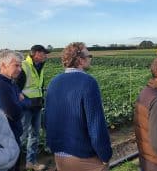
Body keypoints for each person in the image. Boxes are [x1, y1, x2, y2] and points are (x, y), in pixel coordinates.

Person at [45, 42, 112, 171]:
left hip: (59, 155)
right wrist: (105, 155)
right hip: (83, 156)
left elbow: (48, 119)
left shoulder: (54, 82)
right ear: (80, 60)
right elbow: (96, 125)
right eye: (89, 55)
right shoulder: (88, 82)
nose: (90, 58)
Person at [0, 50, 30, 171]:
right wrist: (21, 101)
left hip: (13, 136)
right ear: (3, 65)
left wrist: (21, 102)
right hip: (6, 139)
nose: (20, 69)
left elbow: (28, 101)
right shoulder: (0, 85)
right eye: (16, 65)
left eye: (20, 65)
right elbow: (15, 114)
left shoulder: (11, 82)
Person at [16, 45, 49, 170]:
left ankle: (31, 162)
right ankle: (14, 164)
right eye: (44, 53)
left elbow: (39, 86)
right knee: (21, 136)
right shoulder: (24, 65)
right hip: (26, 107)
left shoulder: (40, 66)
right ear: (36, 54)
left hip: (37, 105)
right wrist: (22, 101)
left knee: (35, 135)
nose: (46, 56)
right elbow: (15, 87)